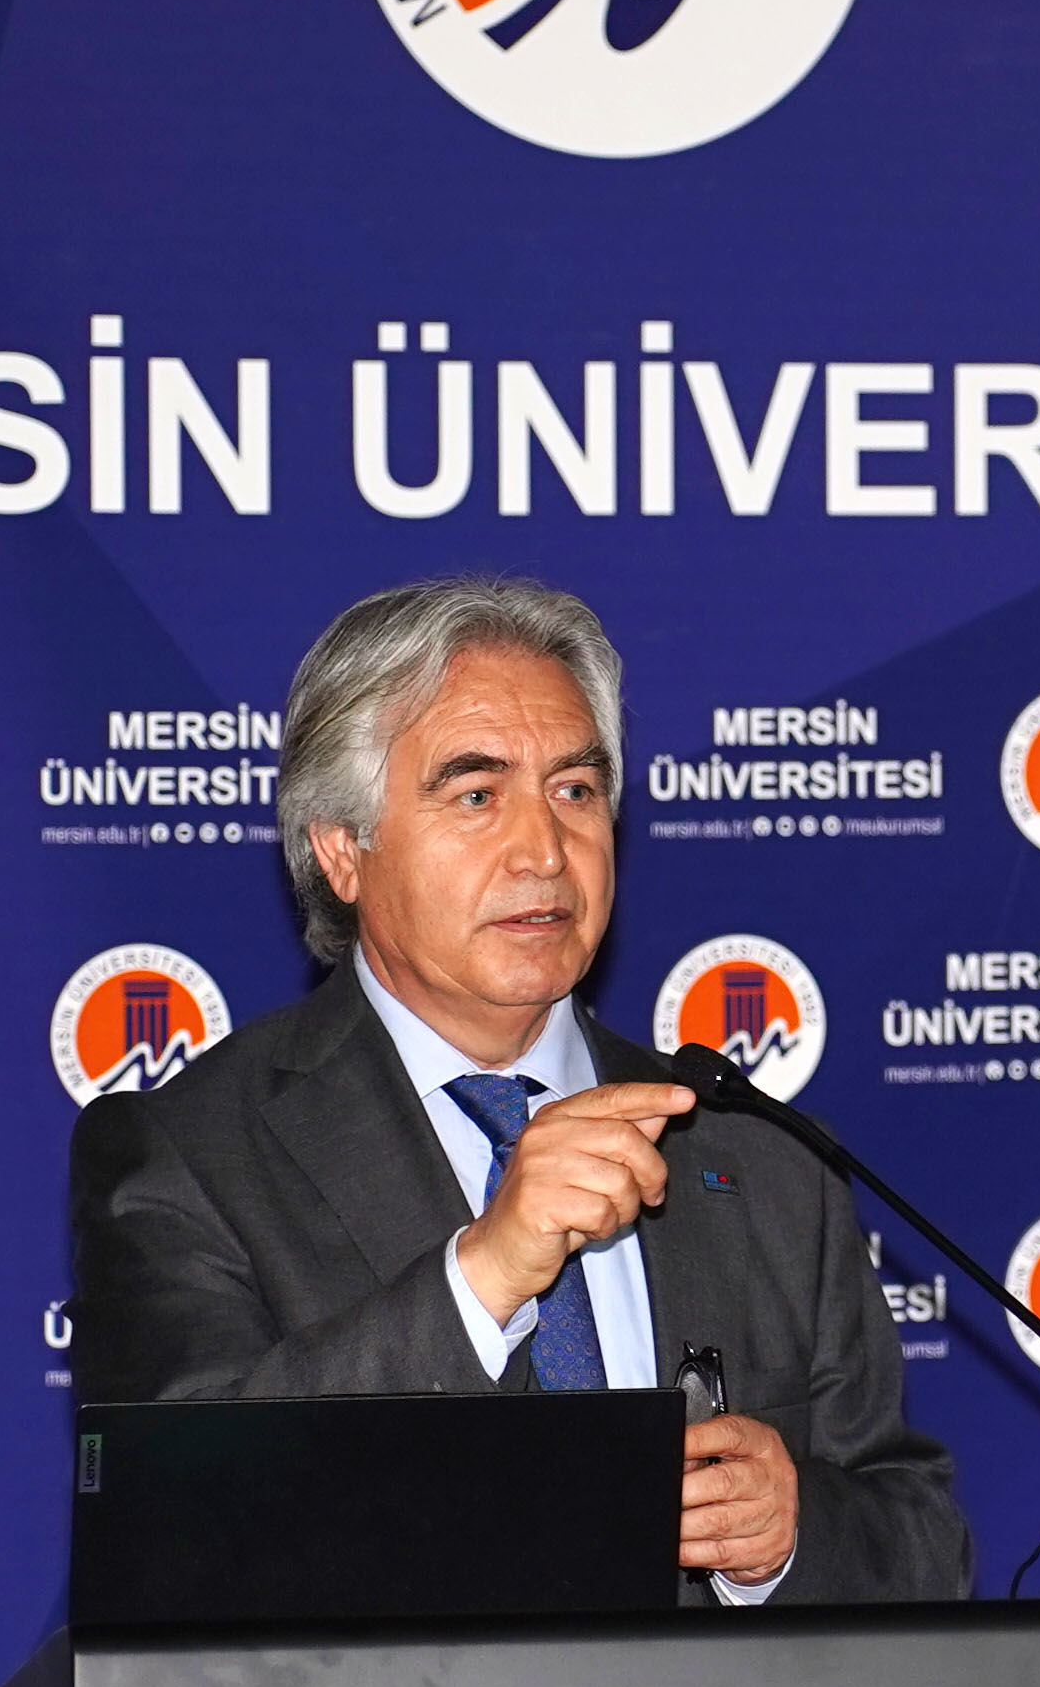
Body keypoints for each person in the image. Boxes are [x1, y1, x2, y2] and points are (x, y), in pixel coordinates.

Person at [66, 574, 965, 1603]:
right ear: (341, 851)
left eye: (575, 792)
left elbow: (924, 1548)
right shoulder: (190, 1155)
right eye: (476, 795)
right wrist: (483, 1275)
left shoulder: (756, 1152)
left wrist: (789, 1536)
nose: (544, 850)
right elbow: (177, 1535)